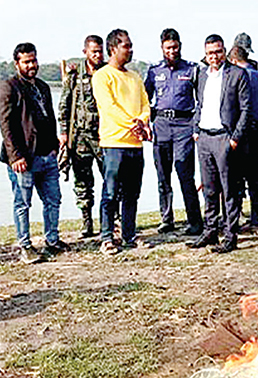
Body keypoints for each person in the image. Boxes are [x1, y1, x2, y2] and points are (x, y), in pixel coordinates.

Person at [0, 43, 68, 264]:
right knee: (23, 203)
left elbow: (50, 117)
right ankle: (25, 246)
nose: (32, 65)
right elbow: (6, 125)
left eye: (34, 60)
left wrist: (55, 145)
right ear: (17, 63)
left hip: (47, 154)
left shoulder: (43, 86)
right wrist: (15, 156)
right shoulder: (10, 87)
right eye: (26, 61)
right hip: (23, 158)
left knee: (53, 200)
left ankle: (52, 240)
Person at [188, 34, 250, 253]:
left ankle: (230, 235)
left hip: (225, 138)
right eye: (210, 53)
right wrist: (196, 130)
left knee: (229, 189)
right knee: (210, 189)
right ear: (205, 55)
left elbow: (245, 109)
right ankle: (210, 231)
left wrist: (234, 139)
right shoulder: (202, 75)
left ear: (224, 51)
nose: (214, 56)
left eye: (218, 51)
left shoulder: (237, 74)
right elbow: (200, 104)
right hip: (204, 137)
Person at [92, 29, 151, 255]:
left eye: (130, 45)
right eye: (126, 45)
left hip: (135, 145)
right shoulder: (102, 76)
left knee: (132, 194)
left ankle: (129, 235)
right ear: (113, 49)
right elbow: (109, 107)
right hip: (114, 143)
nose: (130, 49)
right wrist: (134, 124)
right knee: (110, 192)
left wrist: (143, 121)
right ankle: (106, 237)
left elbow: (145, 104)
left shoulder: (135, 76)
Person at [144, 28, 203, 236]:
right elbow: (144, 100)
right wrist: (146, 123)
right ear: (162, 48)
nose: (172, 51)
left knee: (185, 174)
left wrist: (196, 127)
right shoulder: (153, 71)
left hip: (184, 126)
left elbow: (201, 101)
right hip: (160, 125)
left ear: (180, 46)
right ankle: (166, 219)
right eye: (168, 48)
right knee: (163, 176)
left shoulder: (192, 70)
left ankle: (195, 221)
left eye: (175, 47)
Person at [58, 35, 105, 238]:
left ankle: (113, 221)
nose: (98, 54)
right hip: (80, 138)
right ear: (85, 51)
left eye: (100, 51)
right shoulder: (75, 75)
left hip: (104, 136)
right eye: (94, 51)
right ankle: (87, 222)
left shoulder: (108, 72)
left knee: (112, 180)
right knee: (83, 183)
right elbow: (64, 104)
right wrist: (63, 133)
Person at [229, 45, 258, 235]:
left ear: (233, 60)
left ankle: (234, 220)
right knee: (256, 180)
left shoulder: (238, 76)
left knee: (236, 179)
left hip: (243, 133)